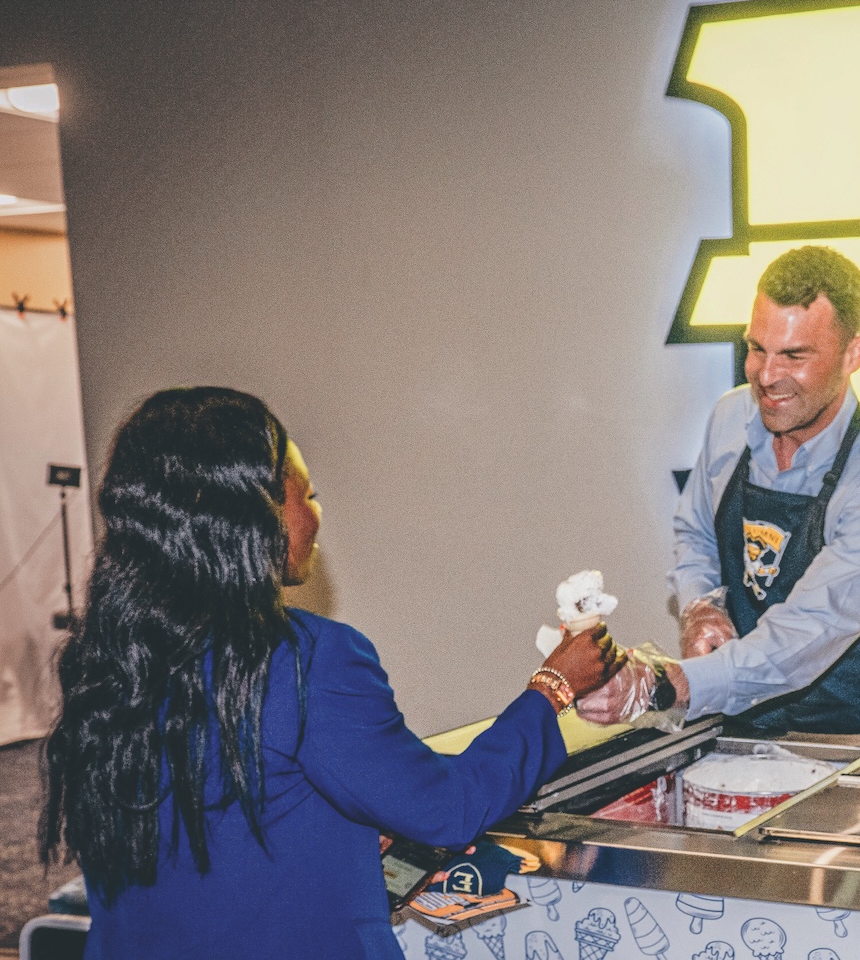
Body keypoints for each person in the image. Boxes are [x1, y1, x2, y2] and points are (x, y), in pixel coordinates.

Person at [40, 387, 622, 960]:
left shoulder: (107, 658)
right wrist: (554, 687)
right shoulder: (310, 657)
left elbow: (225, 826)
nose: (317, 513)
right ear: (252, 513)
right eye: (308, 493)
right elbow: (446, 808)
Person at [582, 245, 860, 735]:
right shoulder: (731, 417)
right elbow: (696, 530)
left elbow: (806, 634)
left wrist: (670, 682)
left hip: (844, 737)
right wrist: (701, 606)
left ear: (854, 354)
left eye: (794, 355)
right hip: (731, 719)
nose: (766, 377)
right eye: (757, 348)